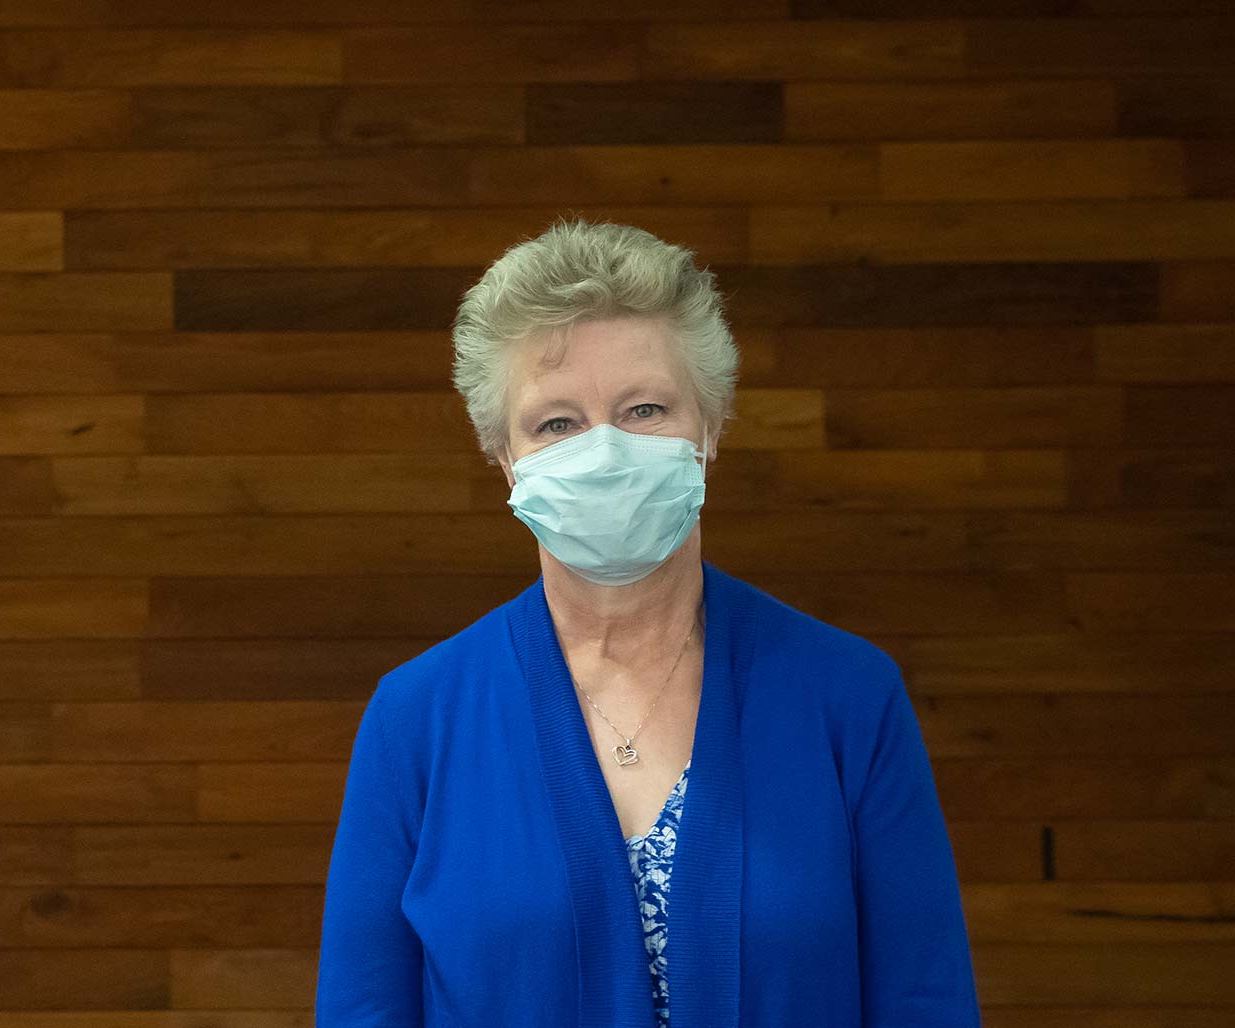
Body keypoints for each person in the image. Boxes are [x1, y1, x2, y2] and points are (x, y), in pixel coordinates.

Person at [315, 221, 979, 1026]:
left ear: (711, 428)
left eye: (644, 409)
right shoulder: (416, 720)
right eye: (556, 423)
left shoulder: (848, 698)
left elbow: (925, 1001)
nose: (604, 452)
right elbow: (363, 1009)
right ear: (502, 454)